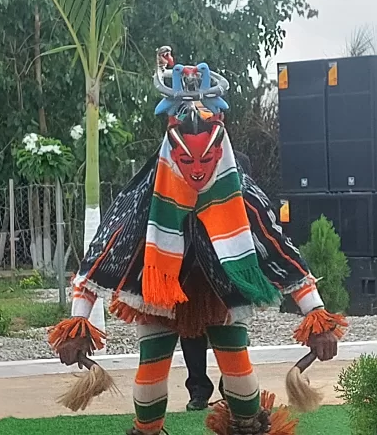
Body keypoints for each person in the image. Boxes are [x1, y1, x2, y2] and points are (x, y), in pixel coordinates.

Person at [49, 50, 347, 435]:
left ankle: (247, 426)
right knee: (150, 372)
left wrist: (317, 316)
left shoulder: (242, 197)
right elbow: (99, 258)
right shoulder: (144, 197)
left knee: (238, 371)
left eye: (206, 158)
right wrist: (78, 323)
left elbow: (278, 250)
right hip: (158, 290)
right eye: (186, 159)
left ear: (221, 149)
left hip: (220, 291)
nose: (196, 169)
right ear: (171, 149)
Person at [181, 151, 252, 412]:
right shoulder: (182, 164)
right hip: (190, 263)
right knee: (190, 330)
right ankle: (198, 390)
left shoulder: (239, 161)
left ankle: (231, 387)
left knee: (233, 328)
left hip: (228, 262)